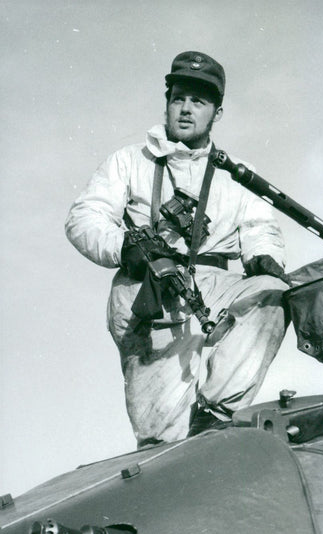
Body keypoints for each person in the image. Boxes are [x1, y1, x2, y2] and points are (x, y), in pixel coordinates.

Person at [65, 51, 289, 446]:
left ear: (216, 113)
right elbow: (85, 217)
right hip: (151, 293)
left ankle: (217, 412)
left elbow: (259, 227)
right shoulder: (129, 161)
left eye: (199, 102)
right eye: (179, 98)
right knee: (162, 435)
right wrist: (122, 248)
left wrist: (264, 257)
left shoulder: (234, 171)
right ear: (167, 102)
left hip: (217, 282)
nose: (186, 110)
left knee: (273, 292)